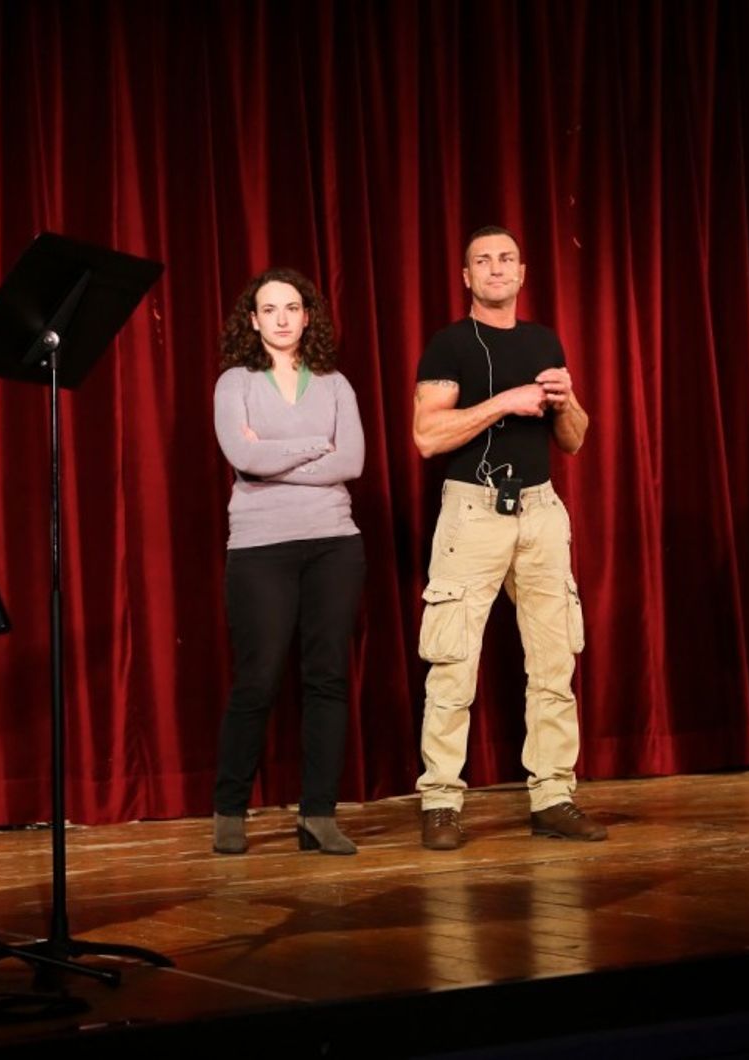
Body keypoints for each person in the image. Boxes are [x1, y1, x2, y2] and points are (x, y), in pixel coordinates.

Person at [410, 225, 604, 850]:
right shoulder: (448, 345)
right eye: (482, 261)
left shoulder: (543, 339)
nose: (496, 269)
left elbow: (572, 438)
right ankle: (441, 799)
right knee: (453, 662)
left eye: (506, 260)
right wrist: (503, 402)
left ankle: (553, 794)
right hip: (473, 512)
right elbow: (427, 437)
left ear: (522, 273)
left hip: (543, 512)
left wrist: (566, 399)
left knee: (553, 661)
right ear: (466, 277)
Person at [210, 267, 366, 856]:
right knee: (258, 678)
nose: (281, 318)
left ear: (307, 317)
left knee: (326, 678)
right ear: (252, 320)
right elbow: (241, 456)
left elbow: (351, 460)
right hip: (259, 548)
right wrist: (310, 445)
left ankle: (318, 814)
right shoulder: (235, 383)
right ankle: (229, 810)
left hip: (334, 543)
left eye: (292, 308)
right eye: (269, 309)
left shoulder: (335, 384)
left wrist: (273, 455)